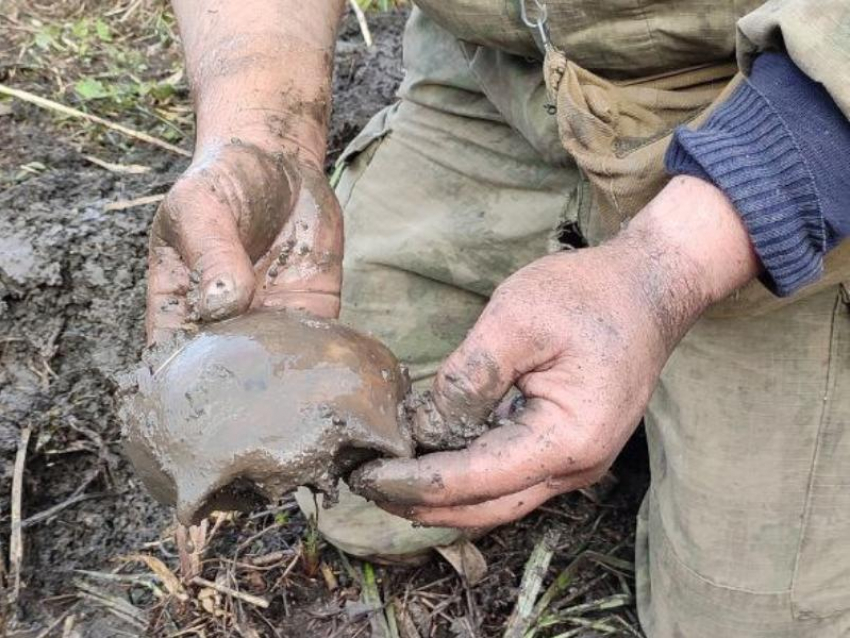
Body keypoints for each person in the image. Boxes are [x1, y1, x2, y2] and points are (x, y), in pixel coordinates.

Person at [146, 0, 850, 635]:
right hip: (504, 72)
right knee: (360, 498)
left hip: (795, 101)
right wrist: (264, 129)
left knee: (752, 623)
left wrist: (667, 267)